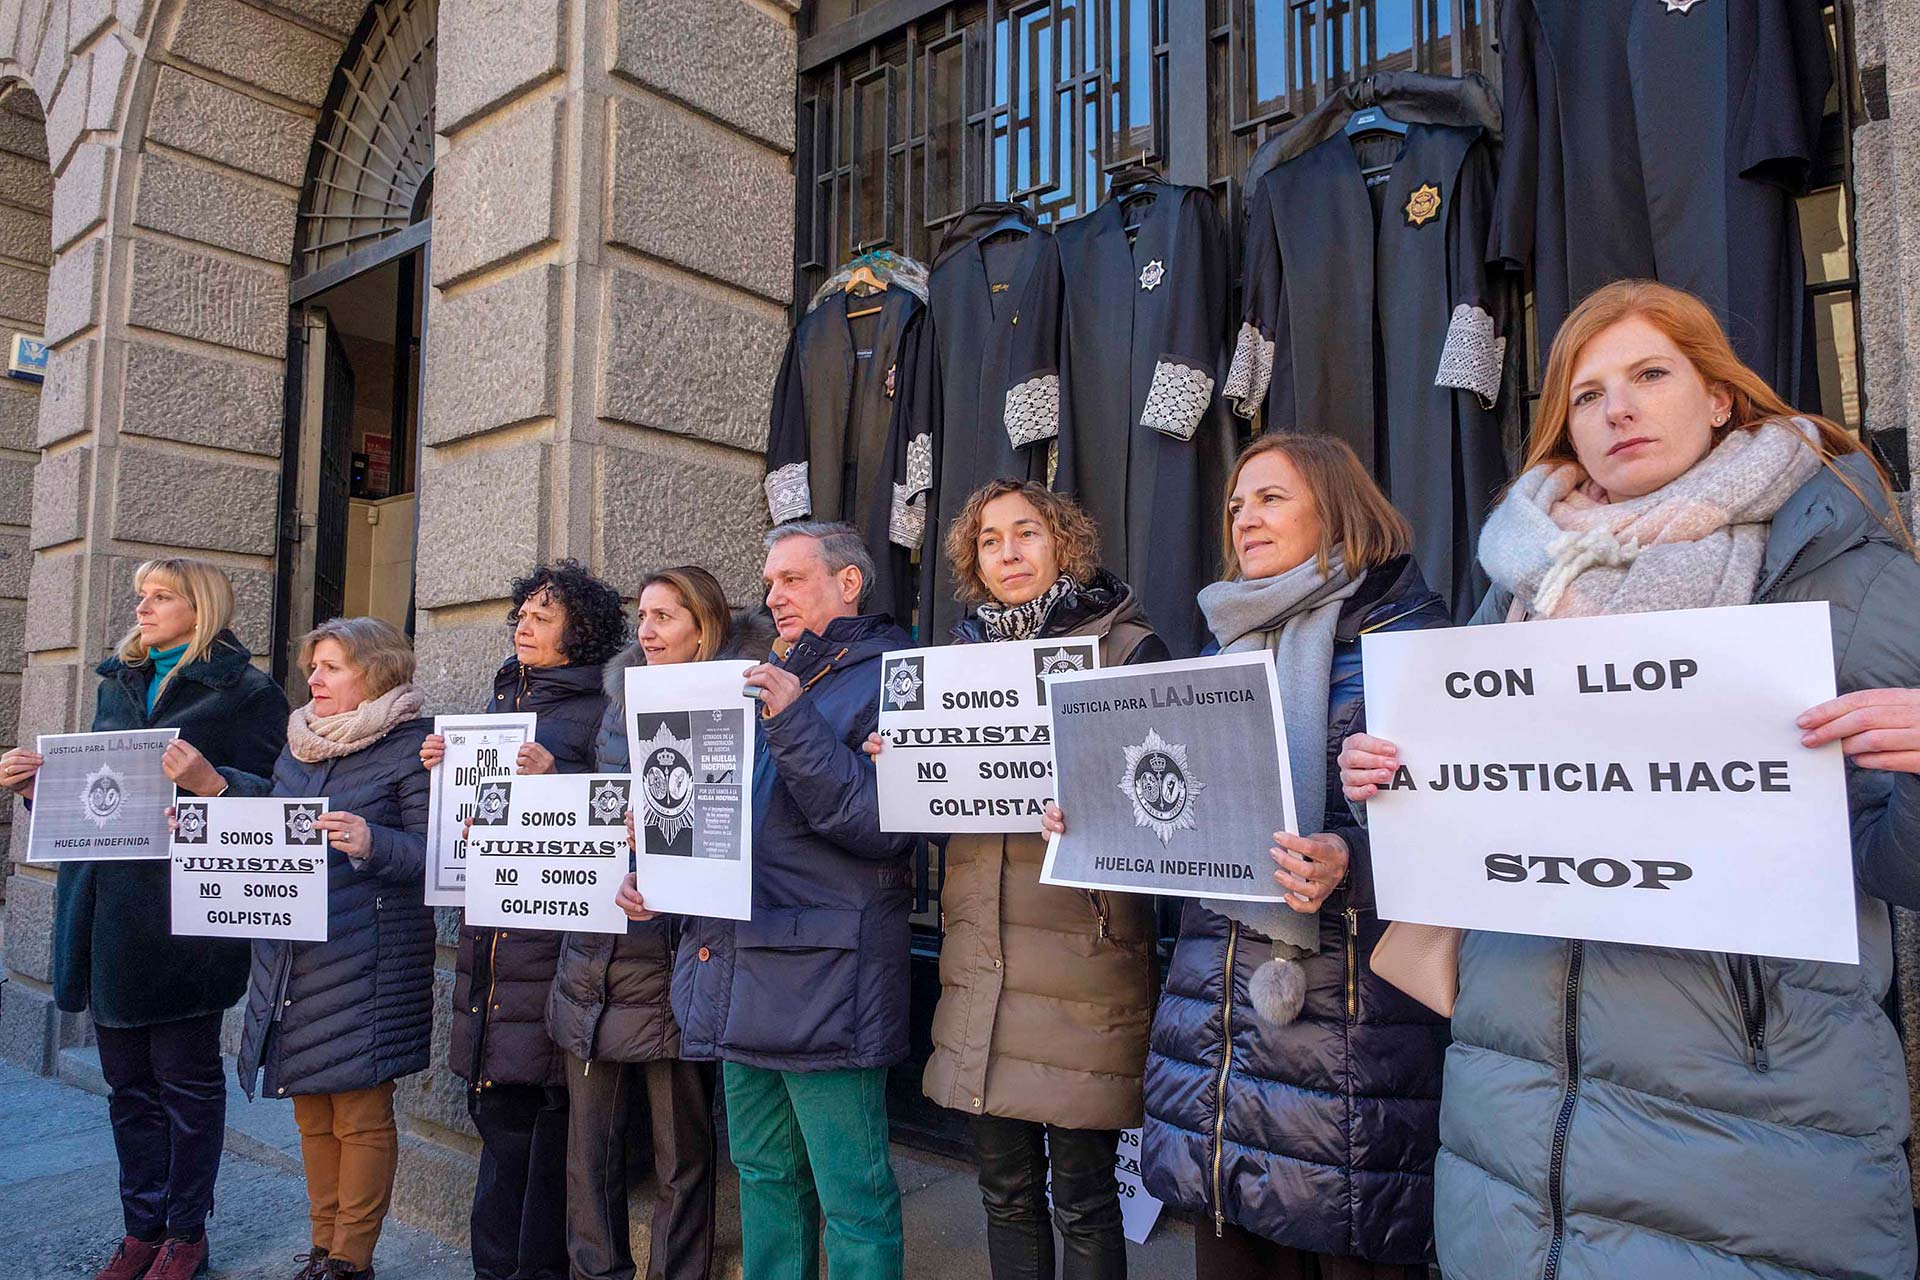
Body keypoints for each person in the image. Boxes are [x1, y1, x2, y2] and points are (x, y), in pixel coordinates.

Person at [1339, 279, 1920, 1280]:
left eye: (1651, 374)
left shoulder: (1840, 570)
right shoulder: (1520, 579)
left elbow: (1898, 862)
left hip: (1747, 1133)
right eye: (1588, 390)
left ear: (1720, 396)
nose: (1619, 408)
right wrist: (1392, 780)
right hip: (1512, 1129)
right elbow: (1470, 807)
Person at [1047, 435, 1451, 1279]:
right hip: (1219, 1031)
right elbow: (1179, 820)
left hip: (1351, 1034)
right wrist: (1095, 819)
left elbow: (1473, 830)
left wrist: (1354, 863)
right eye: (1236, 505)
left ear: (1337, 508)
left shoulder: (1415, 641)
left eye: (1270, 497)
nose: (1245, 518)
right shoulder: (1219, 647)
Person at [863, 479, 1166, 1280]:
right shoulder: (952, 665)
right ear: (975, 561)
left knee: (1086, 1195)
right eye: (990, 540)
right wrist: (907, 773)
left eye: (1026, 533)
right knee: (1002, 1189)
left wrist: (1097, 806)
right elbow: (934, 819)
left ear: (1063, 542)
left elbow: (1174, 804)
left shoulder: (1127, 648)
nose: (1009, 552)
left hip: (1083, 959)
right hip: (981, 961)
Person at [621, 522, 914, 1280]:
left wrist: (792, 719)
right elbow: (723, 820)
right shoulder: (758, 678)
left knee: (853, 1195)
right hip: (741, 963)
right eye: (769, 581)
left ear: (848, 583)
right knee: (763, 1178)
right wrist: (658, 868)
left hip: (827, 978)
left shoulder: (896, 676)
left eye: (792, 579)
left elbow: (878, 825)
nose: (773, 595)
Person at [0, 559, 288, 1280]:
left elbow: (276, 801)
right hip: (106, 914)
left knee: (186, 1085)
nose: (145, 606)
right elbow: (100, 802)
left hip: (186, 917)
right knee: (127, 1085)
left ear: (201, 605)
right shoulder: (119, 683)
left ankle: (186, 1234)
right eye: (141, 595)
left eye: (161, 596)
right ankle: (141, 1229)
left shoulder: (247, 693)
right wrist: (41, 791)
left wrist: (211, 784)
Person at [547, 566, 772, 1280]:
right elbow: (599, 810)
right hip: (599, 952)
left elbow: (747, 835)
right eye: (642, 616)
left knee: (684, 1155)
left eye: (665, 617)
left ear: (703, 627)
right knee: (590, 1154)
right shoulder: (618, 703)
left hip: (680, 957)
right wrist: (547, 788)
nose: (647, 631)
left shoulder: (745, 701)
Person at [421, 560, 625, 1280]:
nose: (524, 625)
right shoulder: (504, 698)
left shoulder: (603, 708)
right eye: (522, 614)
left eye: (543, 615)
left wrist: (560, 784)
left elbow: (624, 817)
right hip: (493, 946)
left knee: (535, 1139)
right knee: (501, 1129)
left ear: (583, 630)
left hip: (551, 952)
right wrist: (445, 767)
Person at [226, 617, 435, 1280]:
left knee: (360, 1114)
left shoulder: (416, 747)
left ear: (374, 673)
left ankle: (351, 1260)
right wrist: (211, 806)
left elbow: (445, 860)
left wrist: (375, 844)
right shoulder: (299, 745)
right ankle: (320, 1249)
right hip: (293, 956)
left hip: (368, 957)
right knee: (310, 1109)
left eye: (331, 667)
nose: (313, 679)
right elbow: (275, 822)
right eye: (313, 666)